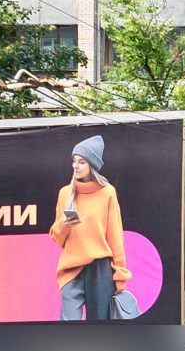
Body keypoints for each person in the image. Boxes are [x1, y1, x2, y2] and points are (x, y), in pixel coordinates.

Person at [49, 135, 133, 322]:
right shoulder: (65, 193)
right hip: (70, 268)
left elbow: (115, 236)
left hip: (100, 269)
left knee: (99, 327)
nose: (76, 166)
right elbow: (57, 238)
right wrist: (64, 223)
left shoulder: (107, 192)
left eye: (82, 162)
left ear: (92, 165)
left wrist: (120, 275)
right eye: (74, 161)